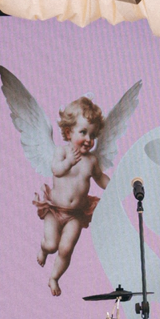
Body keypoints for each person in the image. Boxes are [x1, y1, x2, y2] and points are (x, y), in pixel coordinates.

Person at [33, 96, 107, 294]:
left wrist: (115, 187)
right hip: (54, 210)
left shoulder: (91, 161)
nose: (89, 140)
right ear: (68, 132)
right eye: (83, 132)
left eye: (93, 135)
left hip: (75, 215)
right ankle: (44, 249)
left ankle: (54, 277)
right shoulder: (62, 152)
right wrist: (69, 163)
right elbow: (56, 170)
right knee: (52, 244)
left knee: (66, 249)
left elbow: (100, 178)